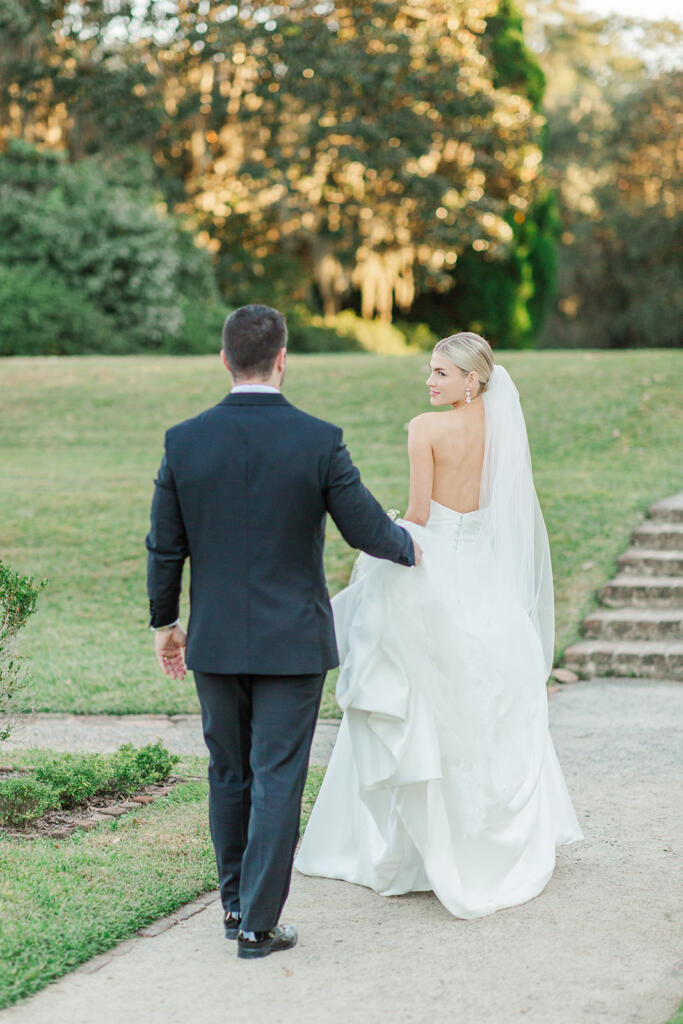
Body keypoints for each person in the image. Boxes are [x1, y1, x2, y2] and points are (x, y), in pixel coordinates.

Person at [145, 304, 421, 959]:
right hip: (292, 643)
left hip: (214, 641)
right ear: (281, 359)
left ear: (224, 360)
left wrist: (165, 622)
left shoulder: (184, 441)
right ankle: (257, 925)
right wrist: (418, 548)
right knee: (276, 777)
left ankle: (235, 905)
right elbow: (366, 530)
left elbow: (165, 546)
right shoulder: (317, 439)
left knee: (227, 771)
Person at [295, 332, 584, 918]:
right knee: (485, 701)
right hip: (486, 580)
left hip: (436, 569)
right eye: (430, 371)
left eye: (441, 373)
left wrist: (384, 543)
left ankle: (409, 849)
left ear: (472, 380)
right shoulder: (504, 431)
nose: (429, 382)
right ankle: (491, 840)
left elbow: (420, 515)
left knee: (416, 698)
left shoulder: (425, 429)